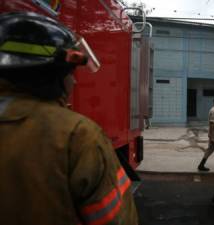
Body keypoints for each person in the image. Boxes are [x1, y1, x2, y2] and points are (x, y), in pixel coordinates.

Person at [0, 12, 138, 225]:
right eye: (69, 73)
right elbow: (117, 221)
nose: (73, 82)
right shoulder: (77, 136)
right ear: (49, 74)